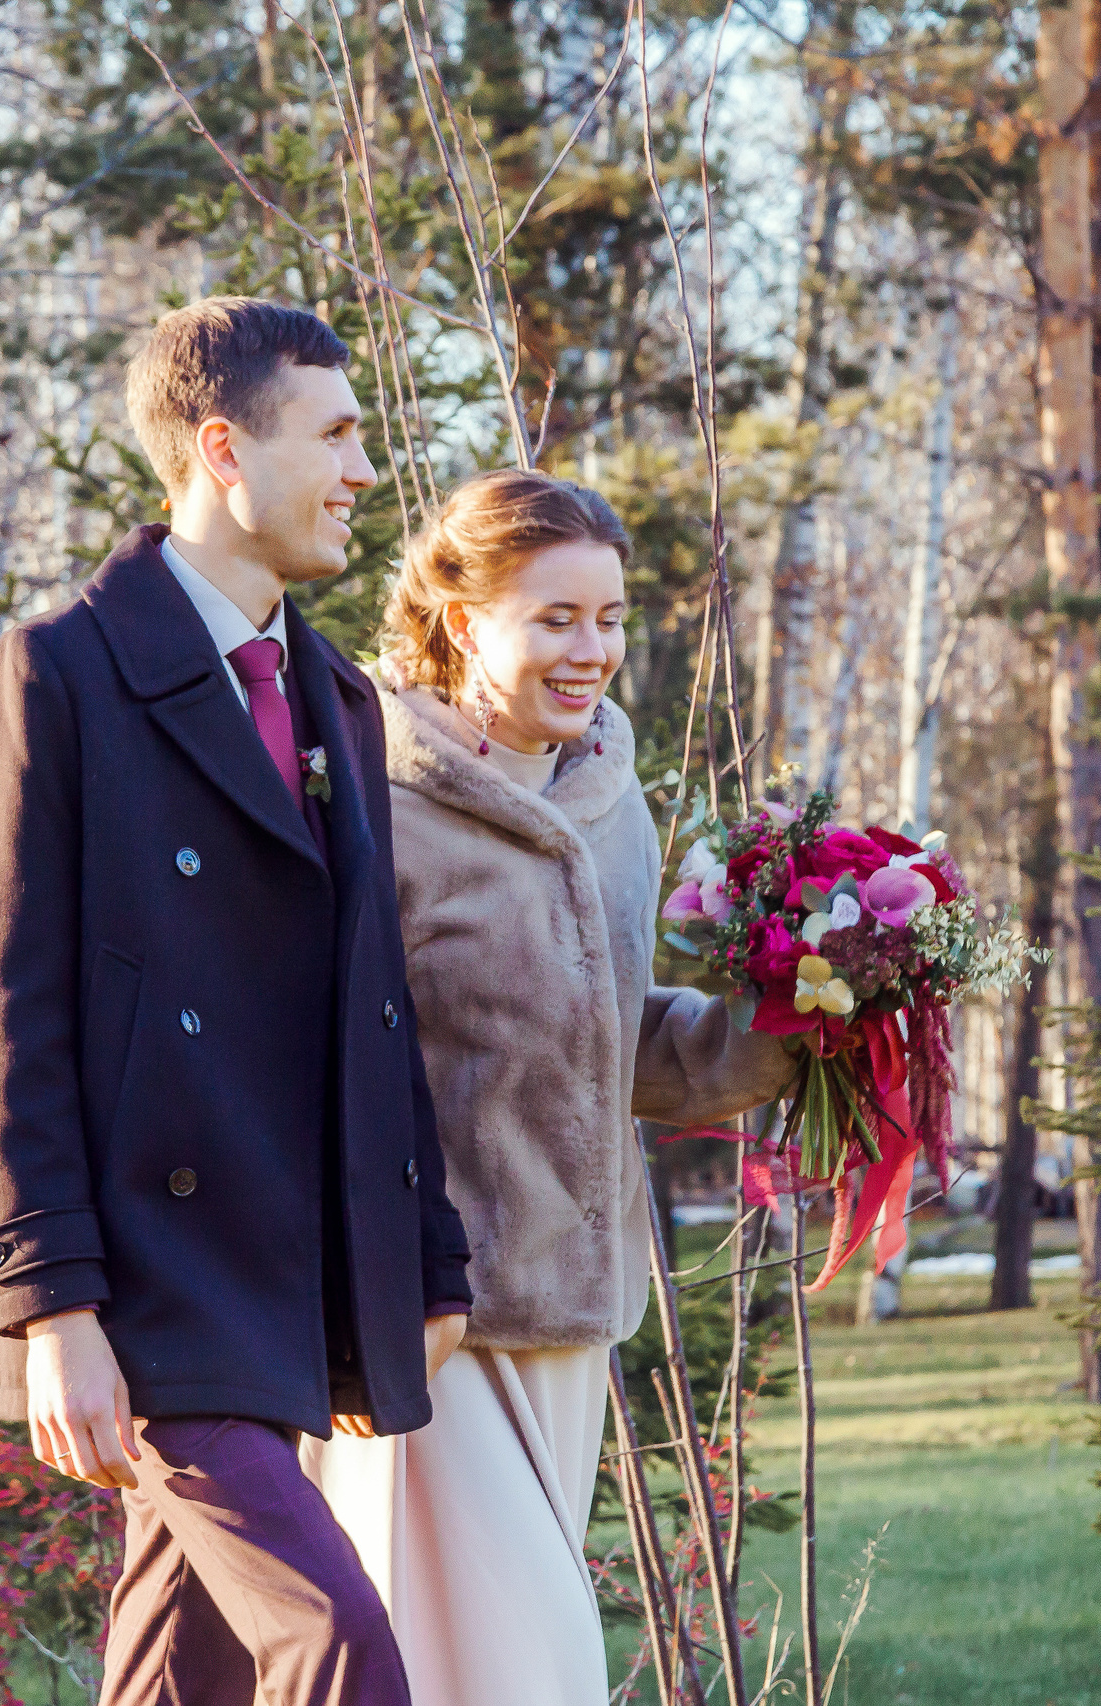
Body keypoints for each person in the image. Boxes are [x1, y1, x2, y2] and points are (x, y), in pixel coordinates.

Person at [0, 297, 473, 1706]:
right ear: (225, 448)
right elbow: (8, 1019)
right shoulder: (60, 672)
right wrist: (50, 1305)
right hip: (148, 1285)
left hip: (284, 1274)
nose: (364, 469)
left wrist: (425, 1253)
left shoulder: (338, 698)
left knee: (185, 1670)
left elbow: (372, 1001)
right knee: (338, 1644)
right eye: (336, 434)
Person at [301, 470, 796, 1706]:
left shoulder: (609, 800)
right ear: (463, 617)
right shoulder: (371, 800)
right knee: (529, 1670)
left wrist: (797, 1015)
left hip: (570, 1315)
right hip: (426, 1315)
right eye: (556, 618)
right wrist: (370, 1300)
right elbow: (320, 1064)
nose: (593, 651)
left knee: (471, 1676)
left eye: (610, 618)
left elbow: (608, 1041)